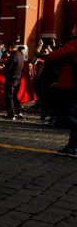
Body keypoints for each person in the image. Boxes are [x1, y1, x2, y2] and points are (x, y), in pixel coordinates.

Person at [43, 22, 77, 157]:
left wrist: (49, 54)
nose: (72, 29)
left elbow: (53, 56)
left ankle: (72, 147)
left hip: (71, 84)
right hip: (71, 83)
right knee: (73, 116)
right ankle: (72, 147)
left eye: (74, 27)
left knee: (63, 114)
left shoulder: (74, 42)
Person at [2, 41, 25, 120]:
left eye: (6, 47)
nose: (5, 49)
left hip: (10, 79)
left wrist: (2, 66)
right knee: (14, 96)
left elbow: (8, 69)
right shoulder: (20, 56)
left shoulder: (12, 56)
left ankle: (11, 114)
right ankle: (18, 111)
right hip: (18, 79)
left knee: (9, 97)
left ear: (10, 47)